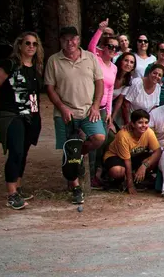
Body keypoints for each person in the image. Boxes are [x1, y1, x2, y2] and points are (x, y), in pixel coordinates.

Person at [45, 26, 106, 205]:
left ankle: (77, 153)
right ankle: (76, 188)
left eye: (73, 39)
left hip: (88, 110)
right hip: (65, 112)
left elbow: (99, 83)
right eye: (65, 39)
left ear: (78, 40)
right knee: (68, 146)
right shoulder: (53, 60)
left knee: (99, 138)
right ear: (60, 41)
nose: (70, 42)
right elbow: (49, 88)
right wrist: (62, 108)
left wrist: (96, 106)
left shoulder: (91, 58)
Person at [0, 32, 43, 210]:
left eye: (34, 44)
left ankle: (18, 186)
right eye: (28, 43)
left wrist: (35, 116)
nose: (31, 47)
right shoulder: (10, 65)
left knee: (23, 152)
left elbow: (33, 93)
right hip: (11, 114)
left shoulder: (35, 68)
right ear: (20, 45)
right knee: (15, 151)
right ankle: (11, 194)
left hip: (29, 115)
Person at [102, 110, 162, 194]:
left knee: (155, 159)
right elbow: (127, 161)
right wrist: (130, 185)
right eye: (140, 122)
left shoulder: (148, 132)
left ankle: (138, 179)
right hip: (116, 157)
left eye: (146, 122)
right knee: (118, 171)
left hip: (134, 155)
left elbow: (158, 152)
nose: (144, 125)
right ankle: (115, 180)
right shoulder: (123, 135)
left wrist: (144, 166)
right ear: (133, 124)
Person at [111, 52, 136, 129]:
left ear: (133, 67)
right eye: (126, 60)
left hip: (109, 107)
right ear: (120, 61)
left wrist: (112, 118)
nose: (128, 64)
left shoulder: (128, 80)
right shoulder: (111, 72)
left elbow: (119, 101)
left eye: (131, 62)